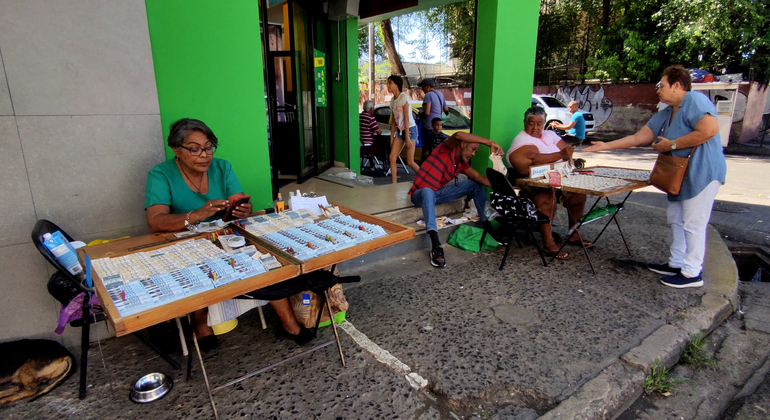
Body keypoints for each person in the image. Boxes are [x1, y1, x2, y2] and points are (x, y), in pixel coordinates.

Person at [144, 118, 316, 349]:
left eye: (208, 147)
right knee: (197, 272)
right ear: (176, 149)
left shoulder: (222, 167)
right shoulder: (160, 174)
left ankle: (288, 322)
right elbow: (155, 221)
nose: (204, 155)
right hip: (185, 240)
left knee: (266, 260)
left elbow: (238, 200)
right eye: (194, 149)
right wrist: (195, 215)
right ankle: (200, 324)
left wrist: (242, 208)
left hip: (224, 235)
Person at [584, 65, 726, 289]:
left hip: (702, 173)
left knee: (693, 223)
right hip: (679, 175)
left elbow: (709, 130)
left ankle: (692, 273)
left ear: (677, 86)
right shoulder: (668, 112)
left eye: (661, 85)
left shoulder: (695, 101)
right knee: (677, 219)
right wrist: (605, 146)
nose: (657, 90)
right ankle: (677, 262)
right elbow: (639, 137)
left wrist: (673, 144)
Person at [507, 105, 593, 260]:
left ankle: (573, 235)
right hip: (531, 181)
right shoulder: (522, 139)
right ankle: (548, 242)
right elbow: (532, 160)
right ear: (524, 123)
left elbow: (568, 152)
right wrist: (560, 155)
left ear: (544, 123)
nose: (535, 127)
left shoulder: (550, 134)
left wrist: (562, 156)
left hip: (558, 175)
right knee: (546, 198)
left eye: (539, 124)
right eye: (531, 123)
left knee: (578, 196)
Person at [409, 131, 503, 267]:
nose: (473, 154)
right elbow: (458, 135)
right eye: (473, 149)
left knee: (475, 184)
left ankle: (488, 227)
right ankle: (436, 245)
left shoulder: (461, 164)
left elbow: (478, 178)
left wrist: (505, 185)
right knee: (428, 192)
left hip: (438, 193)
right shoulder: (444, 149)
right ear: (463, 144)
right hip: (420, 194)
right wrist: (489, 143)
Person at [387, 75, 420, 183]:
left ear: (397, 84)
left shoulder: (403, 97)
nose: (388, 85)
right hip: (399, 131)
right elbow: (393, 121)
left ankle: (425, 178)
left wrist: (407, 138)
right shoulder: (392, 101)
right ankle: (394, 184)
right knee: (392, 157)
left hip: (410, 129)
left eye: (390, 83)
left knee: (410, 162)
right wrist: (392, 137)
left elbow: (406, 118)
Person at [418, 78, 448, 148]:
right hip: (438, 125)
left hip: (429, 125)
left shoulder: (428, 95)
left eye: (423, 87)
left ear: (428, 87)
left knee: (427, 147)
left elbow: (427, 112)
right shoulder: (440, 94)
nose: (422, 90)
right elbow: (446, 109)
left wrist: (420, 114)